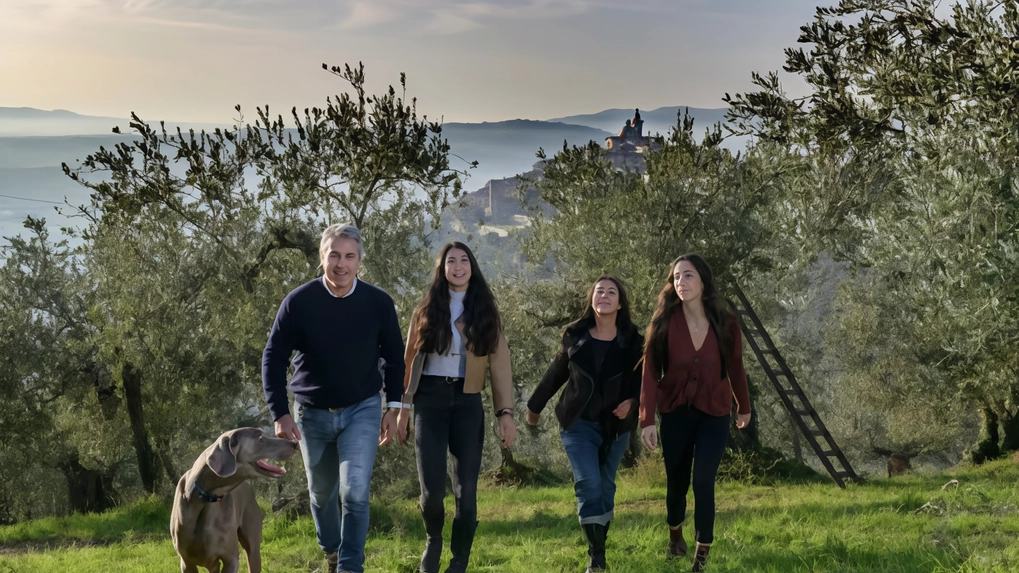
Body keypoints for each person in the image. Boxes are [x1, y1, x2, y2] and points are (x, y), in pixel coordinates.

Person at [262, 223, 405, 573]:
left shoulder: (378, 303)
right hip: (311, 415)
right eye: (334, 255)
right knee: (321, 494)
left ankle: (349, 566)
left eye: (349, 256)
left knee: (354, 491)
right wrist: (280, 414)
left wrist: (395, 407)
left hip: (363, 410)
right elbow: (273, 357)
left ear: (359, 262)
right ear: (322, 258)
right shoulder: (298, 302)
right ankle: (331, 550)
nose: (341, 264)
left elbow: (396, 358)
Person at [397, 241, 517, 573]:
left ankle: (459, 560)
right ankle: (433, 538)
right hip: (429, 401)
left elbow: (501, 366)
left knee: (467, 491)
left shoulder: (485, 312)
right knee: (432, 490)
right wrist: (401, 410)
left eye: (464, 260)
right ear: (442, 268)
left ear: (472, 267)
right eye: (452, 261)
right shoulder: (425, 310)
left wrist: (505, 414)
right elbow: (407, 362)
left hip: (468, 401)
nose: (459, 266)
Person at [639, 254, 751, 573]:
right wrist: (647, 420)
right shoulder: (663, 321)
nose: (681, 282)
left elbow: (736, 367)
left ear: (703, 281)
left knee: (703, 480)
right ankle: (676, 534)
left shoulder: (726, 322)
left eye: (688, 276)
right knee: (677, 482)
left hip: (714, 411)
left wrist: (743, 406)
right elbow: (649, 371)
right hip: (675, 411)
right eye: (676, 277)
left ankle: (701, 556)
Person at [526, 276, 644, 573]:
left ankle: (598, 550)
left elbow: (644, 383)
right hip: (577, 422)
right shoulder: (575, 336)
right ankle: (597, 557)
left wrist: (634, 403)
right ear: (592, 299)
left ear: (620, 304)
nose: (604, 295)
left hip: (617, 428)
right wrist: (534, 406)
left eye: (611, 292)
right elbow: (556, 373)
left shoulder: (634, 342)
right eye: (599, 291)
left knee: (605, 486)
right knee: (588, 483)